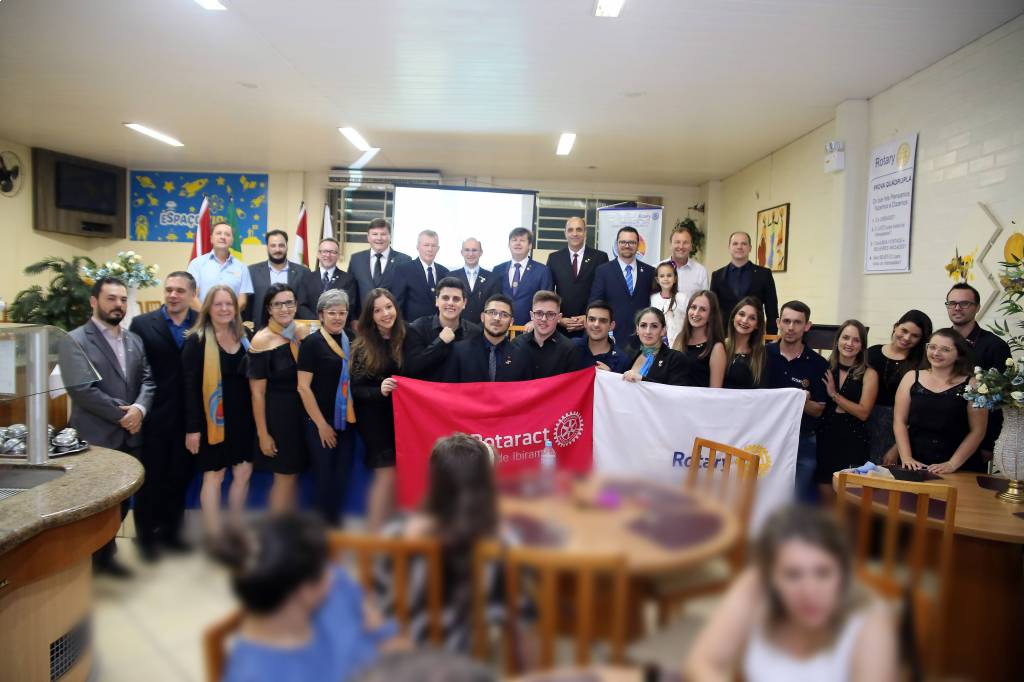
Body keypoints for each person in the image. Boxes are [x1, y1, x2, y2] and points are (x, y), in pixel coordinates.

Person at [684, 505, 897, 682]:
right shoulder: (755, 586)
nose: (809, 592)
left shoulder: (870, 619)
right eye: (793, 575)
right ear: (770, 576)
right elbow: (701, 662)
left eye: (823, 573)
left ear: (843, 572)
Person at [213, 513, 400, 682]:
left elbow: (388, 638)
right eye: (323, 570)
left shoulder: (335, 592)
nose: (332, 574)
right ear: (304, 592)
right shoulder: (256, 674)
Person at [374, 434, 507, 653]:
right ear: (483, 485)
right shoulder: (495, 545)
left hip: (399, 651)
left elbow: (379, 601)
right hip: (460, 655)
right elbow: (503, 615)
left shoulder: (395, 533)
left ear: (434, 480)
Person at [61, 277, 155, 576]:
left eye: (123, 299)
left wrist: (139, 409)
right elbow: (82, 389)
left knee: (122, 502)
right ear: (94, 301)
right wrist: (123, 415)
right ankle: (87, 563)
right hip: (97, 438)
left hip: (131, 437)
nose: (118, 305)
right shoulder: (75, 339)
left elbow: (148, 380)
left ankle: (105, 556)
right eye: (111, 298)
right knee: (95, 503)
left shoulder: (133, 339)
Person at [128, 271, 197, 559]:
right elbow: (134, 371)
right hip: (155, 415)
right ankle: (145, 538)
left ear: (192, 294)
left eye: (180, 290)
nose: (173, 295)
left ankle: (172, 534)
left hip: (189, 416)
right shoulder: (142, 324)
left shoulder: (201, 323)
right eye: (169, 289)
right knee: (151, 479)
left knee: (179, 477)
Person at [182, 285, 254, 538]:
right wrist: (192, 429)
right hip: (211, 420)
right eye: (218, 304)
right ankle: (213, 535)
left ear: (236, 307)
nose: (224, 309)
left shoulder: (245, 336)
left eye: (228, 304)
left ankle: (235, 528)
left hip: (243, 418)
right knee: (215, 476)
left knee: (243, 472)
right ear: (208, 308)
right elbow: (189, 388)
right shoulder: (196, 340)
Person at [297, 289, 357, 526]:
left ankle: (334, 529)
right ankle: (318, 531)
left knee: (341, 478)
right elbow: (303, 387)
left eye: (342, 312)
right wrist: (321, 425)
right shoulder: (312, 343)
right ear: (321, 315)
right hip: (319, 422)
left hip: (346, 421)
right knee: (323, 479)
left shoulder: (351, 339)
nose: (337, 317)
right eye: (332, 313)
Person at [892, 329, 988, 474]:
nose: (936, 353)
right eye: (932, 347)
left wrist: (952, 464)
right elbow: (899, 421)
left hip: (958, 465)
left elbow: (978, 430)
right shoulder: (911, 377)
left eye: (945, 349)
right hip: (915, 461)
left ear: (959, 354)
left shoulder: (974, 384)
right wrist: (906, 457)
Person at [249, 284, 309, 513]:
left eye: (289, 303)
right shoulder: (261, 340)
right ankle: (276, 531)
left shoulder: (300, 332)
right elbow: (257, 393)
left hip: (301, 414)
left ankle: (287, 527)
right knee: (284, 477)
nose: (285, 308)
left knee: (294, 476)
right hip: (278, 418)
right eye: (278, 304)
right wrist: (263, 434)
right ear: (269, 308)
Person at [351, 289, 407, 533]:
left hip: (400, 419)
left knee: (396, 477)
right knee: (385, 476)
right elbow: (356, 390)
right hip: (374, 420)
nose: (385, 313)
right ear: (370, 316)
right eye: (378, 310)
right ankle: (373, 534)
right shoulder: (363, 346)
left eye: (389, 307)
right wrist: (379, 390)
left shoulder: (405, 337)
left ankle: (389, 533)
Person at [766, 300, 828, 504]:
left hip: (803, 441)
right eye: (786, 321)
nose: (791, 327)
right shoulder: (762, 355)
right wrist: (797, 396)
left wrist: (798, 399)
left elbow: (818, 410)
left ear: (807, 326)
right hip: (767, 438)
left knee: (797, 502)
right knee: (765, 498)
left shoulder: (819, 364)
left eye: (797, 322)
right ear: (778, 323)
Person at [946, 282, 1011, 466]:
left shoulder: (995, 346)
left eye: (964, 303)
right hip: (935, 432)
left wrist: (989, 444)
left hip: (974, 439)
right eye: (952, 303)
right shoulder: (938, 343)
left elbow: (1000, 399)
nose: (957, 308)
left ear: (977, 307)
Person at [816, 321, 878, 502]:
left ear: (862, 345)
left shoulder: (869, 374)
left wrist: (834, 395)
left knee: (849, 502)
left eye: (856, 340)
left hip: (853, 441)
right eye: (845, 338)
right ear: (837, 341)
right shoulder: (825, 367)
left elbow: (863, 412)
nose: (849, 343)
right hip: (825, 437)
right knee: (826, 499)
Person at [866, 310, 932, 464]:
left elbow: (918, 411)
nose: (907, 338)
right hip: (865, 421)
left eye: (915, 336)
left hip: (899, 428)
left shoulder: (921, 364)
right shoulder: (872, 353)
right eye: (904, 330)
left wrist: (897, 448)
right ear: (896, 327)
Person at [403, 277, 482, 380]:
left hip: (461, 389)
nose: (450, 303)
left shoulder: (475, 333)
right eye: (445, 298)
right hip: (428, 389)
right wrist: (440, 342)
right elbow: (412, 368)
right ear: (437, 301)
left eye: (456, 299)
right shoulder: (417, 328)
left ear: (464, 303)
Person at [445, 294, 533, 382]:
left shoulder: (520, 356)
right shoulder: (460, 352)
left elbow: (526, 388)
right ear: (482, 317)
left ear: (511, 322)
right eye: (492, 312)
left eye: (504, 315)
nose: (497, 318)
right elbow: (450, 387)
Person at [589, 225, 656, 340]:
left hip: (643, 337)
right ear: (617, 244)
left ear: (638, 245)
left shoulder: (650, 272)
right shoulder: (603, 271)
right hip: (612, 336)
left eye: (632, 242)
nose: (627, 246)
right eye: (623, 242)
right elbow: (595, 302)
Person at [546, 216, 609, 337]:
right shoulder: (554, 258)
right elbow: (548, 292)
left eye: (579, 229)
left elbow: (603, 292)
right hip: (561, 326)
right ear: (565, 233)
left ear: (585, 232)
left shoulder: (600, 258)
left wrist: (589, 316)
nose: (574, 234)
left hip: (591, 325)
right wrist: (558, 318)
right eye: (570, 230)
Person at [710, 231, 779, 334]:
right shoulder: (717, 276)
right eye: (735, 243)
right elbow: (713, 310)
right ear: (729, 247)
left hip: (754, 335)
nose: (739, 247)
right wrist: (712, 335)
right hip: (725, 334)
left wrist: (771, 337)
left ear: (750, 248)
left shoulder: (764, 274)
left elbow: (772, 309)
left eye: (744, 244)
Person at [245, 229, 315, 328]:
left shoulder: (303, 272)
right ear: (267, 247)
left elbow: (307, 303)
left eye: (281, 245)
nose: (277, 249)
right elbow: (248, 305)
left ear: (287, 246)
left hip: (295, 331)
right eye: (273, 246)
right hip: (262, 329)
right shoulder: (252, 272)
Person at [487, 227, 554, 326]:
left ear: (530, 245)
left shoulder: (542, 271)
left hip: (530, 328)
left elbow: (547, 301)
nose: (517, 243)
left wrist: (535, 321)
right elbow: (493, 300)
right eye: (514, 240)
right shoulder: (498, 270)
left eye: (522, 240)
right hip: (501, 326)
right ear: (509, 244)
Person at [511, 290, 582, 378]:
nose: (544, 319)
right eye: (539, 313)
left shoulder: (569, 350)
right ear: (532, 315)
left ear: (559, 318)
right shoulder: (516, 345)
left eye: (550, 314)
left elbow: (572, 384)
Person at [186, 221, 254, 310]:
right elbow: (192, 297)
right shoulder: (196, 264)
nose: (223, 237)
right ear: (211, 239)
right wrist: (207, 316)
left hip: (231, 317)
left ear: (232, 241)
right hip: (202, 317)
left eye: (227, 234)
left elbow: (242, 301)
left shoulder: (242, 267)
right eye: (218, 233)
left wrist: (227, 315)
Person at [348, 218, 412, 308]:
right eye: (375, 234)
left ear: (390, 236)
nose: (379, 238)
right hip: (363, 315)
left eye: (383, 234)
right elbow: (351, 291)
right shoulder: (356, 259)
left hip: (393, 315)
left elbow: (408, 294)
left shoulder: (404, 260)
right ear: (368, 237)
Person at [671, 289, 727, 388]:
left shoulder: (717, 347)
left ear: (711, 315)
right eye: (693, 307)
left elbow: (715, 391)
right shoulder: (680, 338)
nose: (696, 313)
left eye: (703, 309)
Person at [393, 230, 451, 323]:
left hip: (439, 327)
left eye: (433, 246)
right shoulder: (404, 270)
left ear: (438, 248)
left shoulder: (444, 272)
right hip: (412, 327)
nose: (430, 249)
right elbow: (397, 303)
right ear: (418, 247)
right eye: (426, 245)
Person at [623, 307, 691, 386]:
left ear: (663, 330)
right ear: (637, 329)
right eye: (643, 325)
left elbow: (677, 391)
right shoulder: (631, 356)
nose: (648, 331)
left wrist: (642, 379)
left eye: (654, 326)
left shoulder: (676, 359)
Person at [306, 237, 359, 322]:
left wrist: (330, 320)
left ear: (338, 255)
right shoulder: (306, 278)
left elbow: (350, 306)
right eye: (324, 251)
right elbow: (301, 305)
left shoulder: (348, 279)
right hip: (311, 325)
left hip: (338, 325)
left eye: (332, 252)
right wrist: (318, 320)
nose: (328, 255)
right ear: (318, 254)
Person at [574, 300, 631, 373]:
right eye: (592, 319)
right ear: (585, 323)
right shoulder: (572, 347)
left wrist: (610, 377)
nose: (596, 324)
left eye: (603, 321)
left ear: (611, 326)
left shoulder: (622, 361)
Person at [723, 297, 767, 389]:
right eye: (741, 314)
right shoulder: (720, 347)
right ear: (733, 317)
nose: (745, 320)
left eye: (752, 318)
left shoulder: (762, 354)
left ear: (757, 325)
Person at [663, 221, 708, 306]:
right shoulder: (656, 268)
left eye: (685, 242)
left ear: (691, 246)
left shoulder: (700, 271)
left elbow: (705, 302)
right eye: (677, 242)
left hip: (689, 315)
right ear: (671, 245)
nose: (681, 246)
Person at [450, 237, 492, 323]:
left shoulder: (492, 277)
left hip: (483, 328)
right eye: (467, 250)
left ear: (481, 252)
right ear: (462, 252)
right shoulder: (451, 276)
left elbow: (493, 306)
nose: (470, 254)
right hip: (456, 327)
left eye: (474, 250)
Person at [650, 262, 688, 345]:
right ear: (657, 280)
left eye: (669, 275)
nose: (666, 279)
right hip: (657, 344)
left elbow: (688, 321)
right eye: (662, 276)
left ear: (675, 279)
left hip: (678, 344)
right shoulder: (653, 299)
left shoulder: (683, 298)